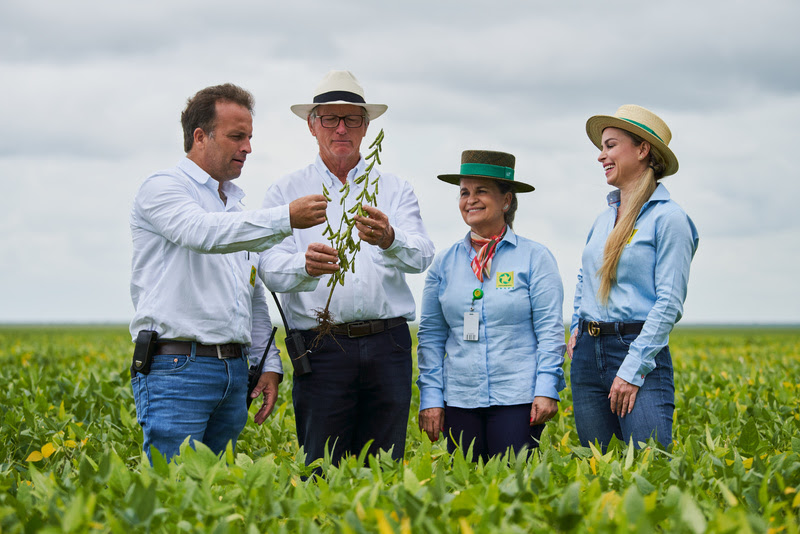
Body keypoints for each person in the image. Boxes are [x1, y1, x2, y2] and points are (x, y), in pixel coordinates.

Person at [129, 83, 328, 462]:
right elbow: (200, 233)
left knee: (217, 494)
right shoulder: (163, 188)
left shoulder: (235, 208)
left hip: (233, 371)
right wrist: (286, 217)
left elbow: (250, 293)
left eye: (249, 137)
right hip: (177, 368)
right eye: (237, 137)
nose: (248, 148)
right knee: (175, 494)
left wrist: (265, 363)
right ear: (200, 137)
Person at [259, 70, 435, 466]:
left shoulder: (395, 188)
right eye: (329, 118)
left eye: (351, 118)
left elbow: (423, 255)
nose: (341, 128)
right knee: (321, 464)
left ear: (366, 127)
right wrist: (303, 266)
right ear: (311, 125)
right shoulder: (286, 191)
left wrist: (390, 238)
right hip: (321, 345)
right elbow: (269, 268)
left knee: (384, 463)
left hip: (387, 342)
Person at [416, 150, 566, 463]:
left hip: (518, 397)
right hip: (459, 397)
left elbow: (549, 331)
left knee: (513, 488)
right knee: (466, 491)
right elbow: (431, 335)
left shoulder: (534, 258)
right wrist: (431, 397)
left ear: (507, 200)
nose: (470, 200)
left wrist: (547, 388)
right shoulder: (444, 263)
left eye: (481, 191)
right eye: (464, 192)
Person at [567, 105, 699, 452]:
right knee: (599, 468)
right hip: (587, 355)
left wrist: (632, 369)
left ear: (643, 151)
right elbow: (586, 275)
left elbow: (669, 302)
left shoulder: (669, 220)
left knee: (649, 467)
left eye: (610, 145)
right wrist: (576, 327)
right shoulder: (603, 218)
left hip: (637, 349)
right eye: (601, 147)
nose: (601, 156)